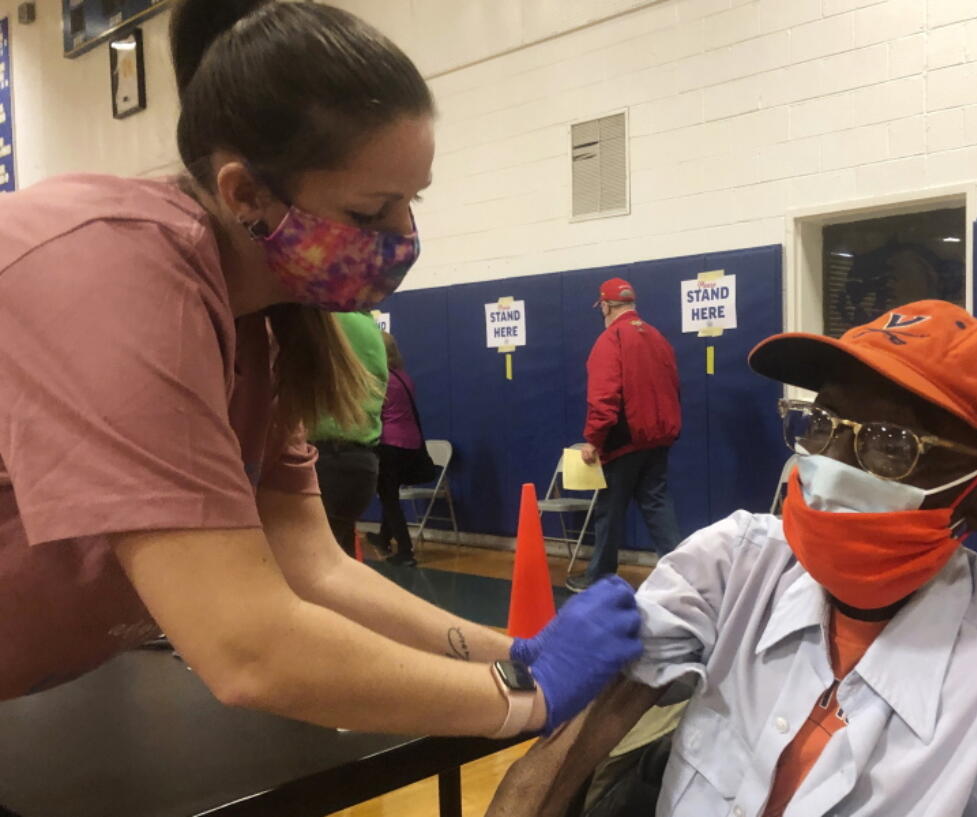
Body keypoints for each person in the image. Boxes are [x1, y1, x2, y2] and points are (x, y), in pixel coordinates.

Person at [0, 0, 642, 742]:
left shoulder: (265, 332)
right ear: (244, 194)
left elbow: (314, 565)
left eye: (412, 201)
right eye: (372, 211)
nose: (404, 235)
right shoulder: (116, 274)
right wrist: (526, 699)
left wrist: (520, 657)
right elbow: (246, 647)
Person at [488, 300, 977, 817]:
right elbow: (594, 716)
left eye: (889, 445)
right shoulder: (736, 565)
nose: (830, 466)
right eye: (819, 426)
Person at [567, 278, 682, 593]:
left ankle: (599, 576)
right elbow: (673, 388)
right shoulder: (658, 338)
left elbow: (604, 397)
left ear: (605, 305)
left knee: (610, 510)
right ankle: (684, 575)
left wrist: (594, 439)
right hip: (658, 436)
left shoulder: (611, 339)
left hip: (624, 439)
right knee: (657, 505)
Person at [309, 311, 387, 557]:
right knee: (338, 559)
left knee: (315, 562)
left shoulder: (322, 318)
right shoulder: (368, 326)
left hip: (326, 458)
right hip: (360, 462)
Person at [375, 330, 434, 566]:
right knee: (391, 493)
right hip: (411, 443)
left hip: (389, 444)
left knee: (388, 497)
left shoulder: (379, 379)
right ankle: (382, 537)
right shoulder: (404, 377)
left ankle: (405, 550)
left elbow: (374, 412)